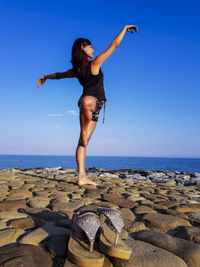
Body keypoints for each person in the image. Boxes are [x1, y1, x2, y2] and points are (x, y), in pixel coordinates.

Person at [37, 25, 138, 186]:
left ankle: (81, 176)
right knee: (86, 122)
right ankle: (82, 171)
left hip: (91, 105)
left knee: (83, 142)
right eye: (90, 46)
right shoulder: (95, 63)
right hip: (92, 102)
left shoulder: (77, 70)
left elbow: (59, 75)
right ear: (83, 48)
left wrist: (45, 77)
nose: (93, 49)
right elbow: (114, 45)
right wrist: (124, 29)